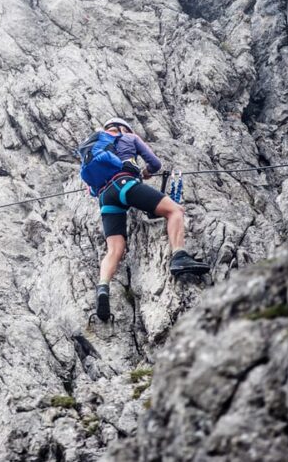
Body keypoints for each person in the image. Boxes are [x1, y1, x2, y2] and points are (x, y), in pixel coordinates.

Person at [78, 118, 209, 322]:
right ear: (124, 128)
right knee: (174, 211)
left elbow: (90, 189)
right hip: (125, 184)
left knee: (114, 249)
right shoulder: (129, 137)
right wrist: (144, 173)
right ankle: (179, 256)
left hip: (105, 197)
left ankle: (103, 286)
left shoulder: (94, 149)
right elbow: (155, 164)